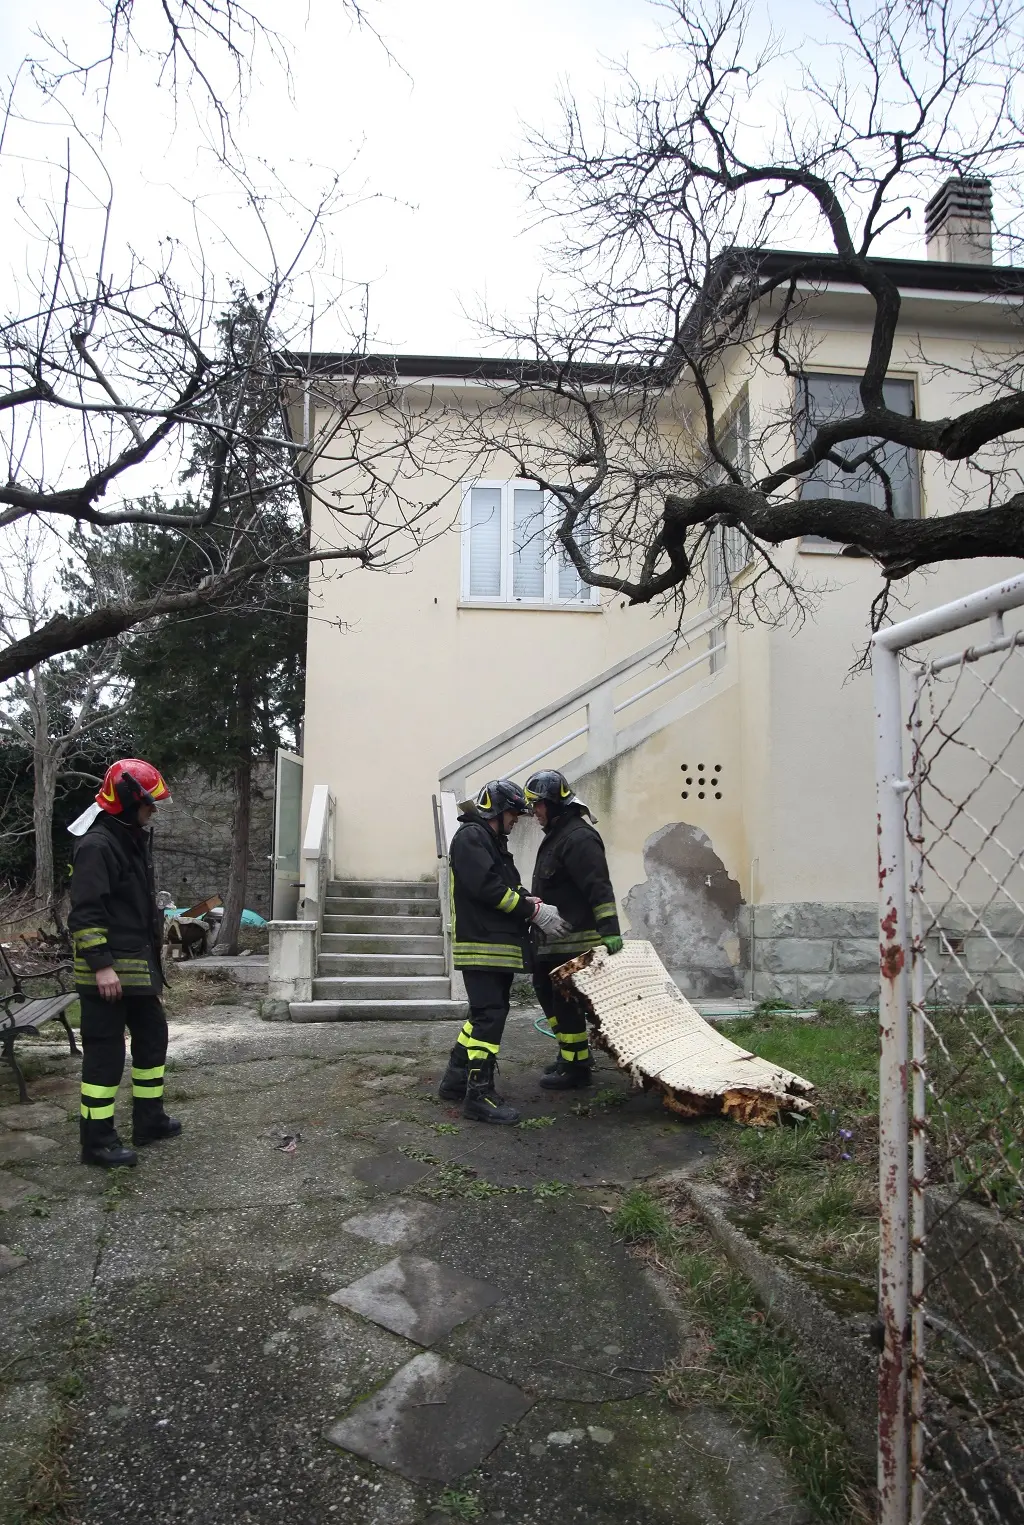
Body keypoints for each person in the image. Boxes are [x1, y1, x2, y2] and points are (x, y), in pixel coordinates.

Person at [68, 759, 181, 1168]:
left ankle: (149, 1121)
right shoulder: (98, 845)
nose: (155, 811)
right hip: (108, 975)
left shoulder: (127, 837)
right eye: (151, 804)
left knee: (153, 1039)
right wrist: (100, 965)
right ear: (132, 799)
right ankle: (96, 1143)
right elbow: (85, 913)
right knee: (105, 1056)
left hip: (134, 970)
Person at [438, 778, 567, 1124]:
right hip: (483, 943)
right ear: (497, 809)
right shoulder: (471, 838)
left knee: (485, 1013)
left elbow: (505, 883)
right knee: (489, 1015)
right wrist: (532, 911)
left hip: (490, 943)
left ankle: (455, 1078)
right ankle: (479, 1094)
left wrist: (528, 898)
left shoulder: (489, 840)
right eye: (513, 813)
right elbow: (487, 887)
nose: (516, 820)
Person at [524, 769, 624, 1090]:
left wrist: (610, 928)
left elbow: (599, 887)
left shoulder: (579, 837)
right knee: (546, 993)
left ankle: (577, 1068)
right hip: (549, 942)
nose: (534, 812)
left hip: (572, 942)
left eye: (538, 805)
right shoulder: (558, 834)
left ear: (553, 802)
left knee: (565, 1003)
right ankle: (570, 1052)